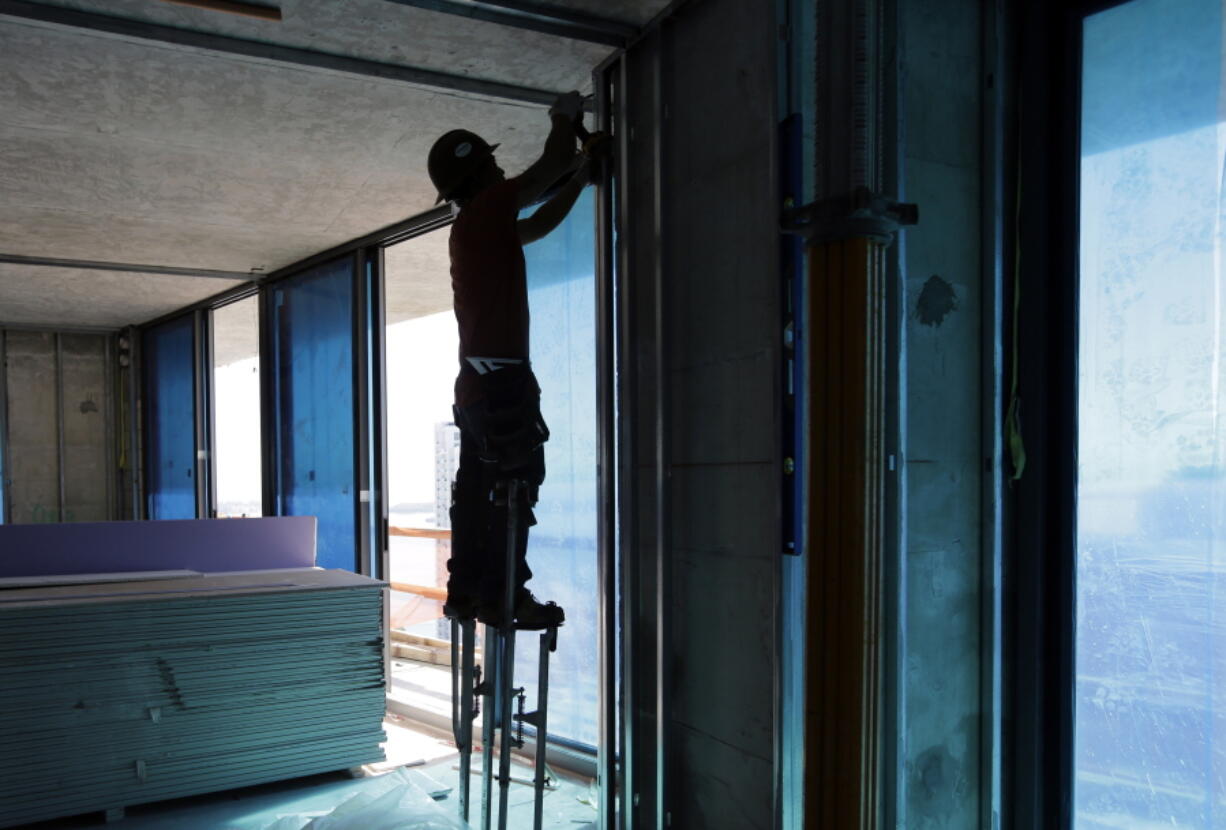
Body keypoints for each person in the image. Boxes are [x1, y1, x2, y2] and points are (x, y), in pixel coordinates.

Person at [427, 91, 608, 630]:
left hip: (481, 386)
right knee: (514, 488)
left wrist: (582, 176)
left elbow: (540, 225)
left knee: (481, 494)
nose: (502, 167)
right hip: (501, 383)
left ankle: (469, 594)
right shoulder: (488, 209)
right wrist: (565, 118)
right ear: (480, 172)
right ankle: (506, 598)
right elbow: (545, 168)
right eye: (493, 162)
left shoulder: (476, 229)